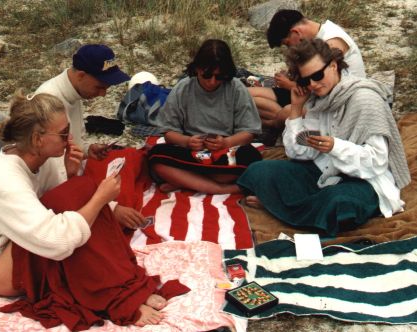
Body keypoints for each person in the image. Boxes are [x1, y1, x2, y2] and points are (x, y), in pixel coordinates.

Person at [0, 91, 168, 327]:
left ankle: (120, 284)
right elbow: (57, 241)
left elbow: (59, 206)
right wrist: (99, 199)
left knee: (79, 188)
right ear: (37, 139)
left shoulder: (44, 157)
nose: (69, 138)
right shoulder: (4, 181)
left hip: (30, 242)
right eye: (63, 134)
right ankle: (116, 296)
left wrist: (72, 176)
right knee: (79, 197)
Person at [237, 39, 410, 236]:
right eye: (305, 80)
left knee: (339, 204)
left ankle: (278, 205)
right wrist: (295, 110)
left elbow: (377, 161)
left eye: (318, 75)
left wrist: (335, 147)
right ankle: (294, 209)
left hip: (363, 180)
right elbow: (301, 152)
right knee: (259, 171)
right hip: (324, 170)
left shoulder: (365, 99)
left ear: (334, 66)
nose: (313, 84)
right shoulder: (317, 100)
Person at [36, 43, 146, 229]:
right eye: (99, 87)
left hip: (75, 176)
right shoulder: (50, 103)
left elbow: (73, 143)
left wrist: (88, 149)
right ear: (81, 75)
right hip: (57, 189)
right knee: (119, 210)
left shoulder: (74, 91)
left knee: (130, 159)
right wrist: (110, 207)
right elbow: (55, 180)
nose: (103, 94)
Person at [148, 39, 262, 194]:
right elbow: (168, 132)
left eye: (219, 76)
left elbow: (250, 132)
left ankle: (186, 181)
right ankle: (218, 187)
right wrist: (187, 141)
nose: (212, 82)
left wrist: (226, 142)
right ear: (197, 69)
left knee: (251, 158)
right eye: (207, 75)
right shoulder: (184, 87)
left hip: (226, 152)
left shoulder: (236, 88)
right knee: (155, 156)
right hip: (192, 151)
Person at [249, 9, 366, 145]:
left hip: (333, 102)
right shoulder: (321, 34)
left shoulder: (332, 41)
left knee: (285, 113)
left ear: (296, 33)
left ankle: (275, 124)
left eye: (287, 44)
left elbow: (324, 86)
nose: (289, 49)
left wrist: (289, 85)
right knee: (248, 95)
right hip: (309, 93)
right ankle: (273, 121)